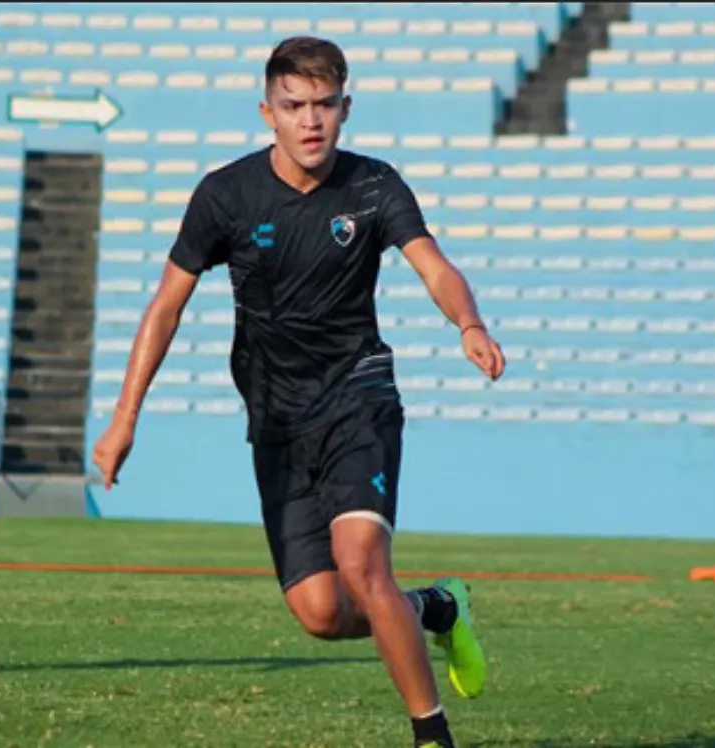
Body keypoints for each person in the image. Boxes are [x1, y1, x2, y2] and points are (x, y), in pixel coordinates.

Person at [92, 36, 506, 748]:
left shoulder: (374, 186)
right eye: (293, 106)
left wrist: (468, 322)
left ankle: (432, 736)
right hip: (277, 422)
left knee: (362, 566)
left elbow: (434, 265)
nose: (310, 120)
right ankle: (436, 609)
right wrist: (124, 419)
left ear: (346, 107)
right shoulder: (225, 195)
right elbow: (165, 307)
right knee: (321, 612)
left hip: (358, 399)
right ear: (268, 112)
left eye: (324, 104)